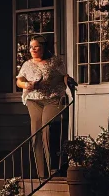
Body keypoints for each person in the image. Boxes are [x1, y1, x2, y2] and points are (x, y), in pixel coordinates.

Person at [16, 36, 75, 178]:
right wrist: (27, 85)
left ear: (44, 47)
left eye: (36, 46)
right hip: (34, 100)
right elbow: (19, 80)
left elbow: (63, 76)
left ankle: (53, 169)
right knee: (36, 134)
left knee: (47, 131)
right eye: (31, 47)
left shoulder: (55, 61)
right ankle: (41, 174)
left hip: (52, 99)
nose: (33, 49)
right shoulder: (27, 64)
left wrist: (69, 81)